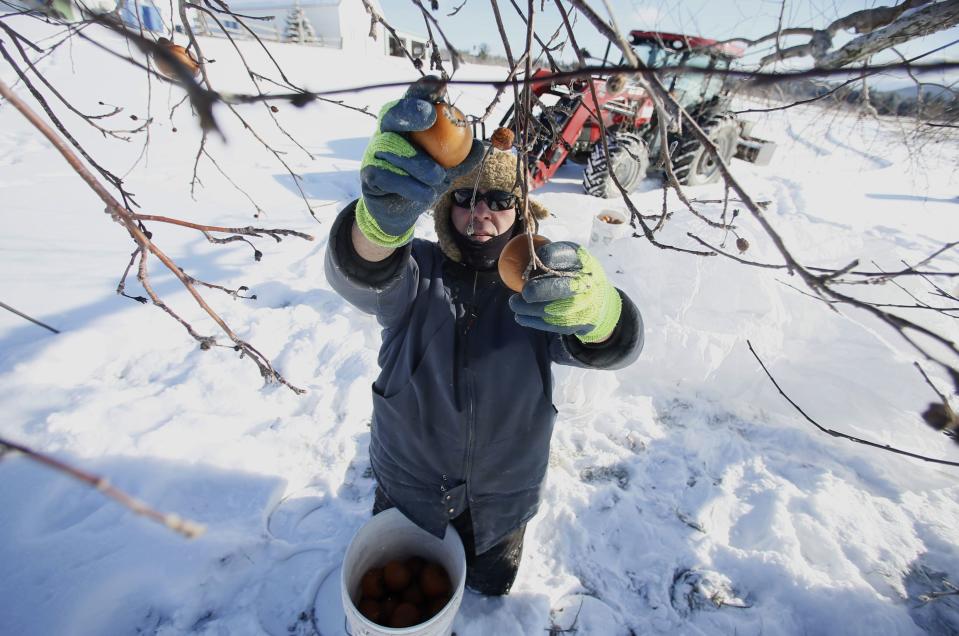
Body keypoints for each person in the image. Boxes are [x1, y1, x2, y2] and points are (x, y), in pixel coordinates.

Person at [325, 78, 643, 596]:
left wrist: (602, 313)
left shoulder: (541, 289)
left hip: (503, 498)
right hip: (408, 485)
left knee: (491, 587)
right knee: (402, 582)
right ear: (444, 208)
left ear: (521, 211)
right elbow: (361, 271)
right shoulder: (416, 274)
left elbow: (609, 347)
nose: (481, 212)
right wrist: (378, 227)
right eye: (465, 197)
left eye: (498, 198)